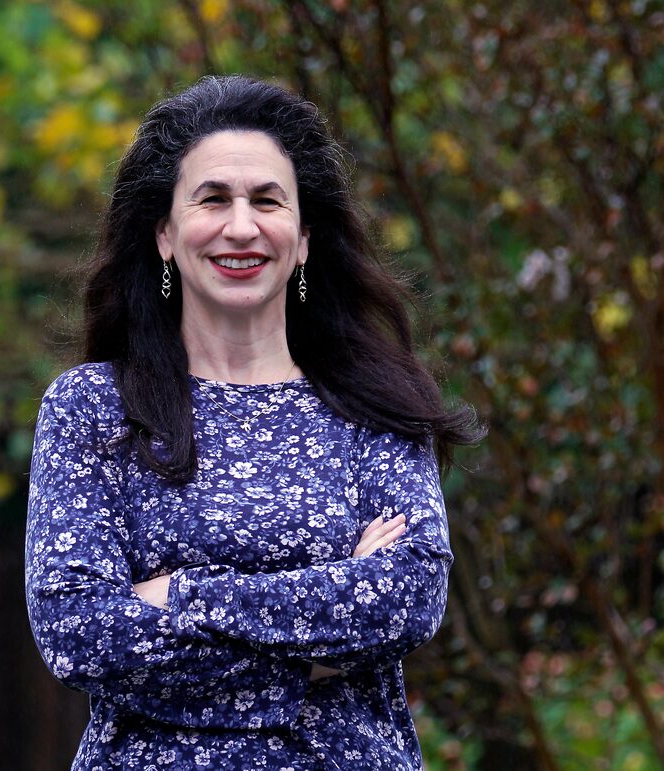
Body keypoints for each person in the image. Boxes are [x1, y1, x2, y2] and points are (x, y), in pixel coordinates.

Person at [25, 75, 481, 770]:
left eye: (267, 200)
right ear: (166, 235)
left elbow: (404, 601)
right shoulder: (91, 409)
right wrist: (319, 641)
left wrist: (182, 593)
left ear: (301, 240)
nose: (242, 225)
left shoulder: (376, 407)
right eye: (213, 198)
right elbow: (80, 632)